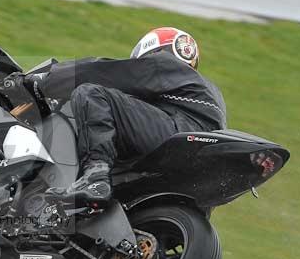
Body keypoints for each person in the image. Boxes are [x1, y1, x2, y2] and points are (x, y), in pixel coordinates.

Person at [20, 27, 227, 205]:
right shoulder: (206, 90)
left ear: (152, 52)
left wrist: (43, 80)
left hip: (177, 135)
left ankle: (95, 174)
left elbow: (99, 72)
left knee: (90, 93)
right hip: (195, 161)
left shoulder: (163, 66)